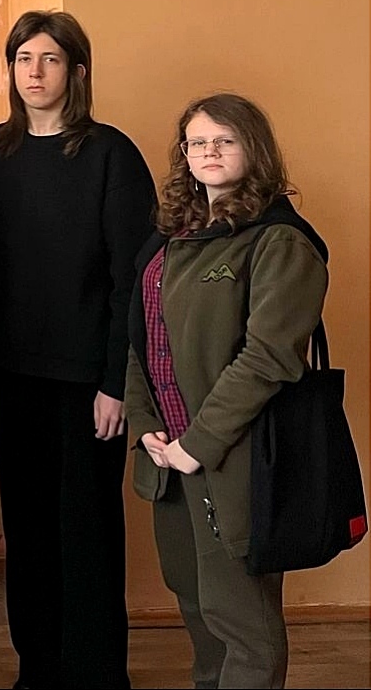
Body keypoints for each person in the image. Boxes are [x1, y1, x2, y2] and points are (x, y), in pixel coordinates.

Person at [0, 10, 155, 688]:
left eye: (49, 59)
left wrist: (115, 381)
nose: (35, 72)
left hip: (88, 384)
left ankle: (98, 674)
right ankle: (38, 669)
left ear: (76, 72)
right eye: (23, 58)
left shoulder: (110, 153)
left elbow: (134, 277)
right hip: (14, 376)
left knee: (89, 532)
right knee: (28, 531)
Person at [124, 94, 328, 689]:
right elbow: (140, 337)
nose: (209, 151)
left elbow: (269, 357)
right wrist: (145, 424)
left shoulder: (279, 241)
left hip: (232, 458)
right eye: (197, 142)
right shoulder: (173, 237)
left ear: (253, 149)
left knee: (243, 623)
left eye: (225, 140)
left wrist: (199, 443)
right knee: (197, 605)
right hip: (168, 458)